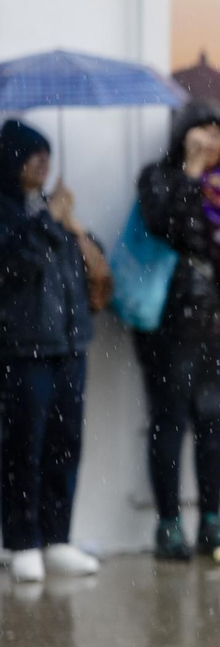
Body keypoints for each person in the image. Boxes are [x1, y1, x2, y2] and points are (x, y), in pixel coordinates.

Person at [134, 104, 220, 561]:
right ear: (183, 136)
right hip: (172, 323)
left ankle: (212, 520)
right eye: (201, 132)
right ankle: (168, 524)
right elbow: (170, 228)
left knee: (214, 423)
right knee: (169, 422)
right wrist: (189, 174)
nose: (209, 142)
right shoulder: (160, 179)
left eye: (217, 134)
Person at [0, 120, 103, 583]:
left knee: (66, 444)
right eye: (31, 154)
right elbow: (12, 267)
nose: (42, 163)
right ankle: (22, 542)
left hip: (69, 345)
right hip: (22, 348)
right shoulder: (8, 211)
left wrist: (75, 228)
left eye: (47, 154)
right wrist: (45, 221)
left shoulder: (51, 208)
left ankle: (57, 537)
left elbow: (86, 266)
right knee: (24, 446)